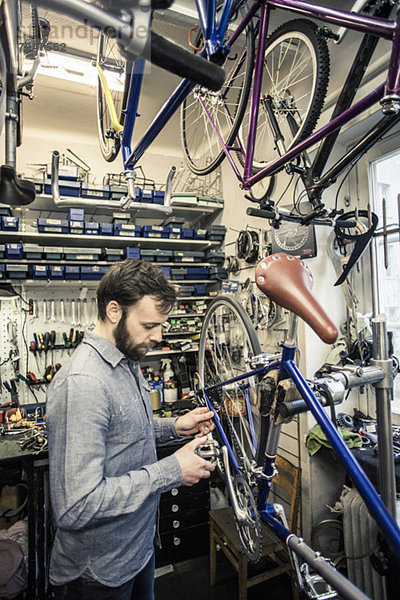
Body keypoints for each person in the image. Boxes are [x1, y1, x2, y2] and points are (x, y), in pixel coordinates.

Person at [46, 259, 216, 600]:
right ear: (113, 311)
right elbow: (75, 506)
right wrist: (171, 471)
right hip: (99, 573)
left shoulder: (125, 359)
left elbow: (124, 430)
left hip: (137, 550)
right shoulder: (84, 383)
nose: (159, 336)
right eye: (150, 324)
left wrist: (176, 427)